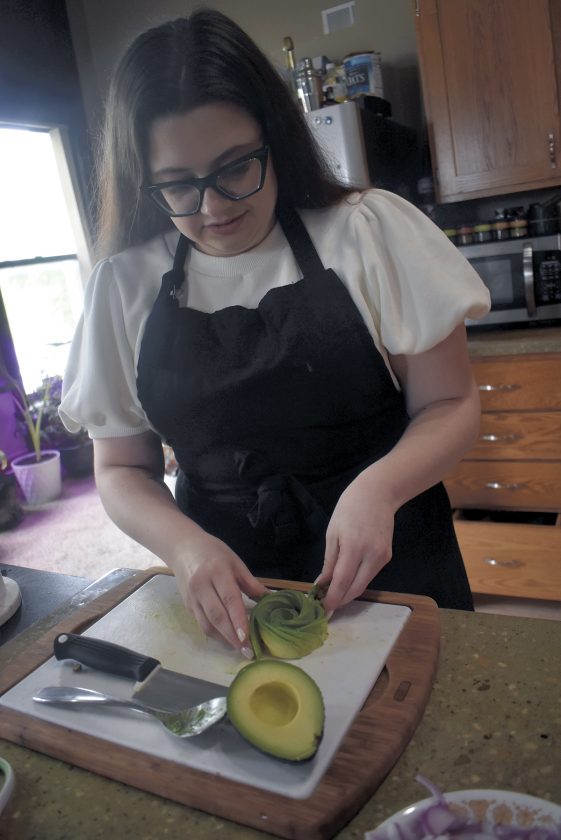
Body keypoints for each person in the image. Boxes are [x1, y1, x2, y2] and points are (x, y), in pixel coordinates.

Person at [60, 9, 490, 660]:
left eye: (236, 167)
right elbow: (121, 468)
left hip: (392, 555)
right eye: (177, 186)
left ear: (275, 138)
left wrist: (380, 489)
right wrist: (184, 546)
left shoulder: (367, 232)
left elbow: (450, 404)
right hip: (228, 591)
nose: (213, 207)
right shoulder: (122, 285)